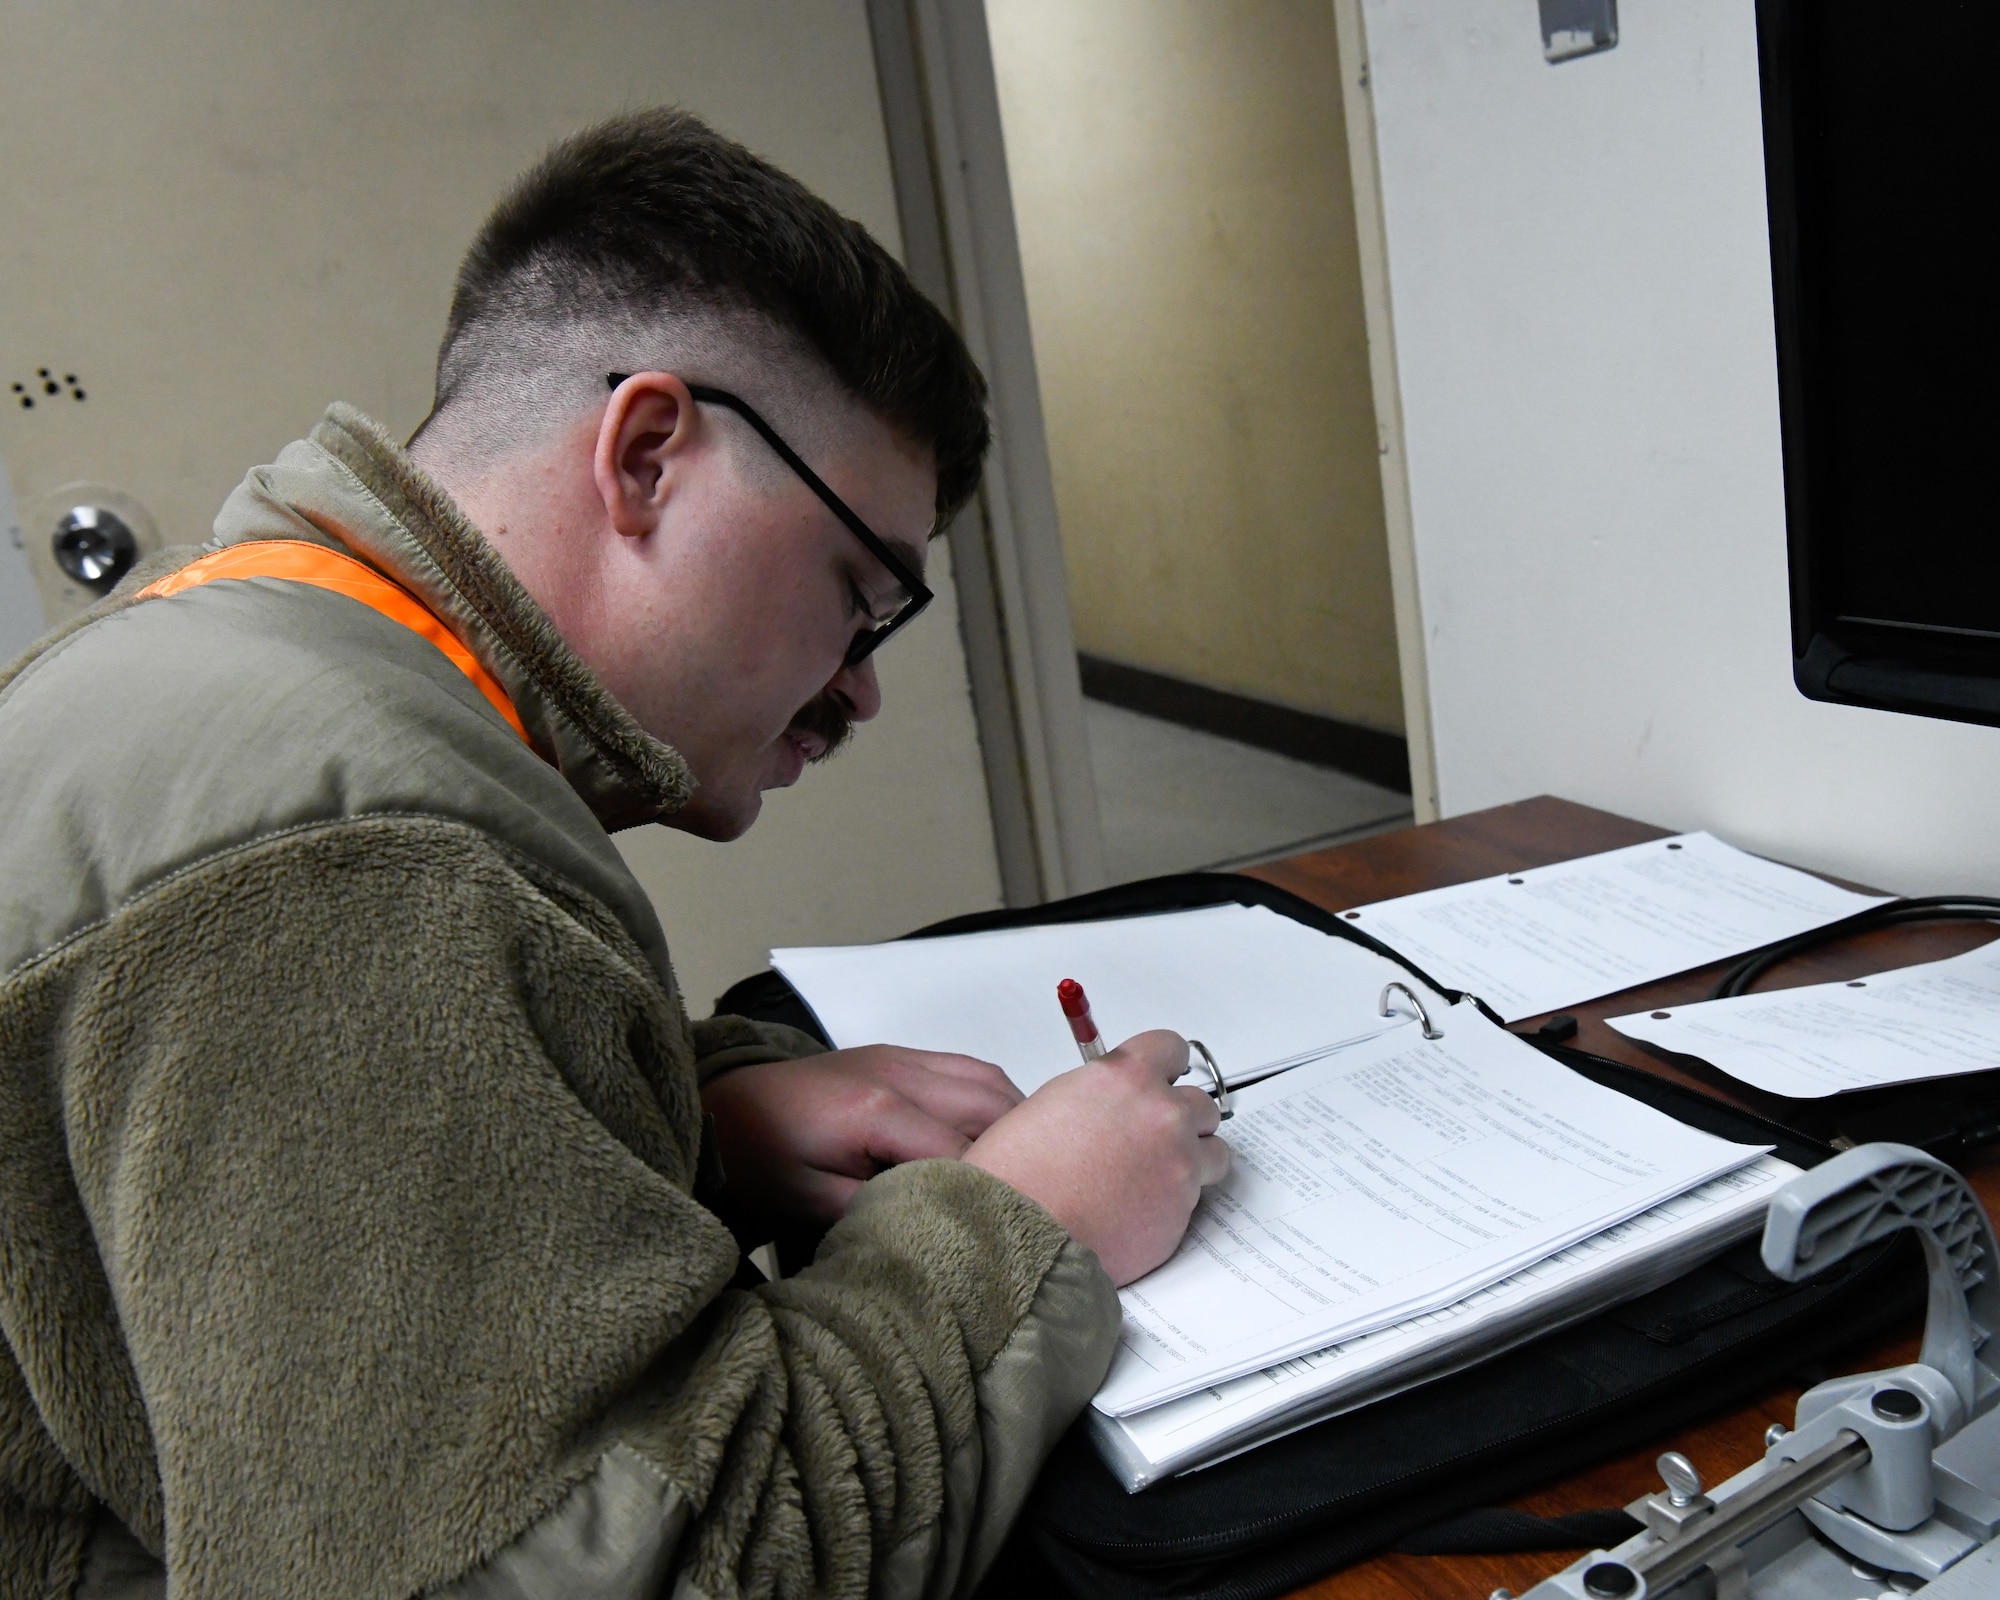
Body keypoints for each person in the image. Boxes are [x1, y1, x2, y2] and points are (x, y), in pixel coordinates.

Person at [0, 109, 1229, 1599]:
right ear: (648, 453)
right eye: (862, 592)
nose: (862, 687)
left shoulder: (236, 654)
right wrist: (1024, 1232)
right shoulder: (353, 864)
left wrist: (694, 1122)